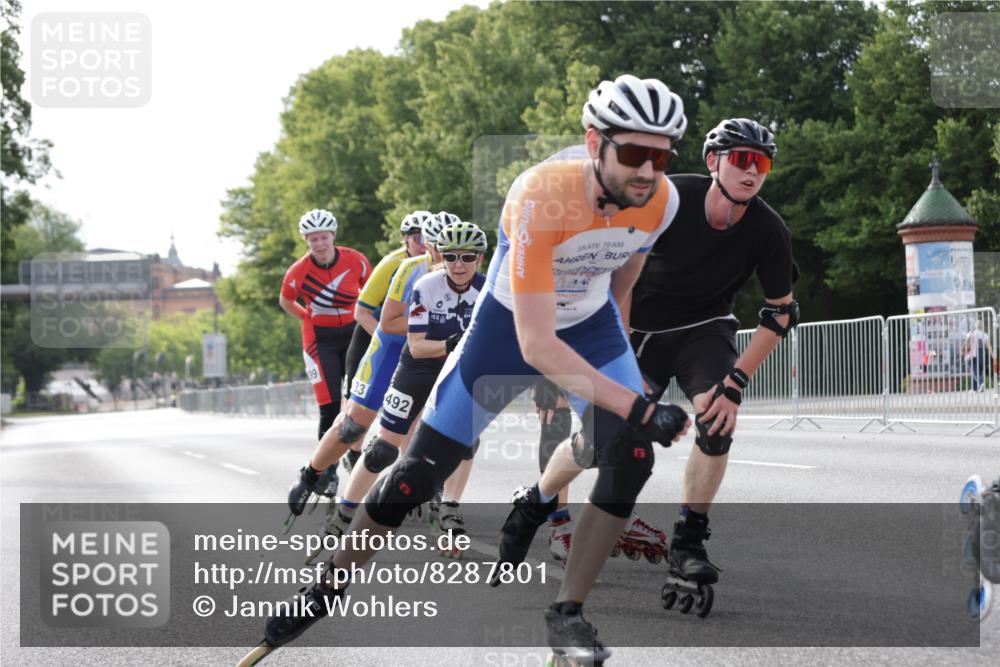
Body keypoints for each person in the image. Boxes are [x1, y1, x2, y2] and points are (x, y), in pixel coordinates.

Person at [258, 74, 692, 664]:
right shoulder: (541, 194)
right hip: (508, 328)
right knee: (416, 476)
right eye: (635, 153)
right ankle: (328, 584)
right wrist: (638, 405)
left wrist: (622, 381)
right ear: (595, 143)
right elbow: (536, 345)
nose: (649, 170)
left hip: (589, 326)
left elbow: (620, 289)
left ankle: (568, 615)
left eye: (662, 155)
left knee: (632, 455)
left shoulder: (662, 200)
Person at [532, 119, 798, 590]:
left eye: (763, 163)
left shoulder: (768, 229)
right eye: (742, 160)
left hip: (703, 331)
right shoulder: (668, 199)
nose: (752, 172)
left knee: (716, 425)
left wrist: (735, 385)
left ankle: (689, 540)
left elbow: (780, 313)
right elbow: (609, 264)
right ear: (714, 161)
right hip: (634, 329)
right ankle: (538, 496)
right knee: (597, 441)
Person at [327, 221, 489, 558]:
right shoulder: (427, 285)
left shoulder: (487, 292)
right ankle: (344, 514)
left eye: (467, 257)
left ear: (480, 260)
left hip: (457, 368)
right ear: (440, 256)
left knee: (466, 443)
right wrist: (456, 341)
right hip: (419, 365)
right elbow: (416, 346)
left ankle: (450, 510)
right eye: (451, 256)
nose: (458, 265)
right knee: (383, 451)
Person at [284, 211, 454, 520]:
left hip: (421, 354)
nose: (449, 258)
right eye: (439, 248)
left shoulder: (465, 276)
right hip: (387, 346)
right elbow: (379, 319)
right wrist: (427, 331)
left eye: (456, 251)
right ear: (426, 246)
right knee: (353, 426)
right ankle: (311, 475)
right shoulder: (403, 268)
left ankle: (422, 488)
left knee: (418, 426)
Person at [339, 211, 430, 471]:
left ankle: (407, 471)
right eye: (416, 237)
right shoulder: (394, 263)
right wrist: (386, 339)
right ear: (405, 240)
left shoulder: (441, 263)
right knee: (355, 420)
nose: (423, 242)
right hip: (374, 334)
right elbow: (361, 311)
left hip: (409, 339)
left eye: (428, 235)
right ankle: (351, 455)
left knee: (412, 414)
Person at [279, 208, 371, 446]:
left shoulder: (355, 259)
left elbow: (372, 292)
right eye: (313, 240)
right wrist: (306, 317)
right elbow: (286, 301)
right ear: (306, 241)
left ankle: (354, 452)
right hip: (320, 341)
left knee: (357, 402)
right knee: (329, 408)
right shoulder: (297, 272)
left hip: (353, 334)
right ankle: (325, 473)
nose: (319, 244)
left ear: (333, 235)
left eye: (323, 237)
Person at [964, 319, 996, 392]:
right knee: (978, 370)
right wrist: (993, 355)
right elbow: (989, 346)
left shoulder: (971, 333)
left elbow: (966, 344)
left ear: (975, 326)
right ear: (982, 326)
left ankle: (979, 385)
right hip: (981, 352)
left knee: (974, 370)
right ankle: (977, 388)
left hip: (972, 352)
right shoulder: (984, 334)